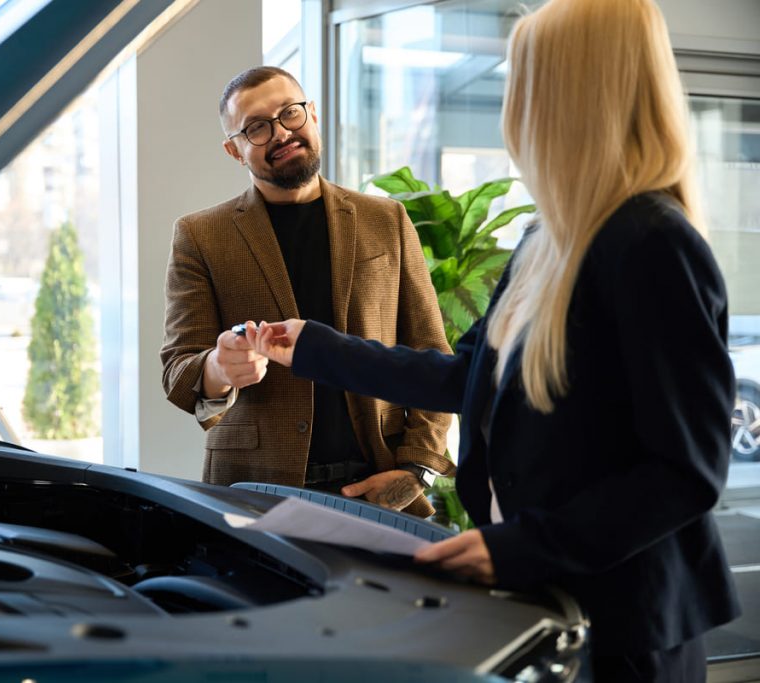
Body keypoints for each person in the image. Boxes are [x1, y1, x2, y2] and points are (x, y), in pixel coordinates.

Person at [246, 0, 740, 679]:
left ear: (570, 96)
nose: (511, 101)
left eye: (524, 80)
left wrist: (523, 546)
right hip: (554, 597)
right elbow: (467, 375)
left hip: (627, 622)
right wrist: (317, 348)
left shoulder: (653, 244)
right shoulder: (548, 238)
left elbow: (686, 471)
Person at [161, 66, 453, 516]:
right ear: (234, 150)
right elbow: (179, 370)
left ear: (311, 115)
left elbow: (432, 351)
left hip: (381, 487)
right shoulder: (201, 235)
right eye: (257, 127)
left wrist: (418, 469)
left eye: (290, 113)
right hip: (251, 492)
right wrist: (219, 367)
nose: (281, 133)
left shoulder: (386, 220)